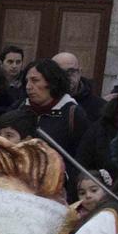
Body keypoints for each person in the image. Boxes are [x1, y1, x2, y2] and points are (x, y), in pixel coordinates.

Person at [22, 56, 98, 195]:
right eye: (27, 81)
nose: (28, 86)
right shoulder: (21, 109)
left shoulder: (72, 113)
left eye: (35, 80)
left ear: (52, 82)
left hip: (58, 190)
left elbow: (82, 158)